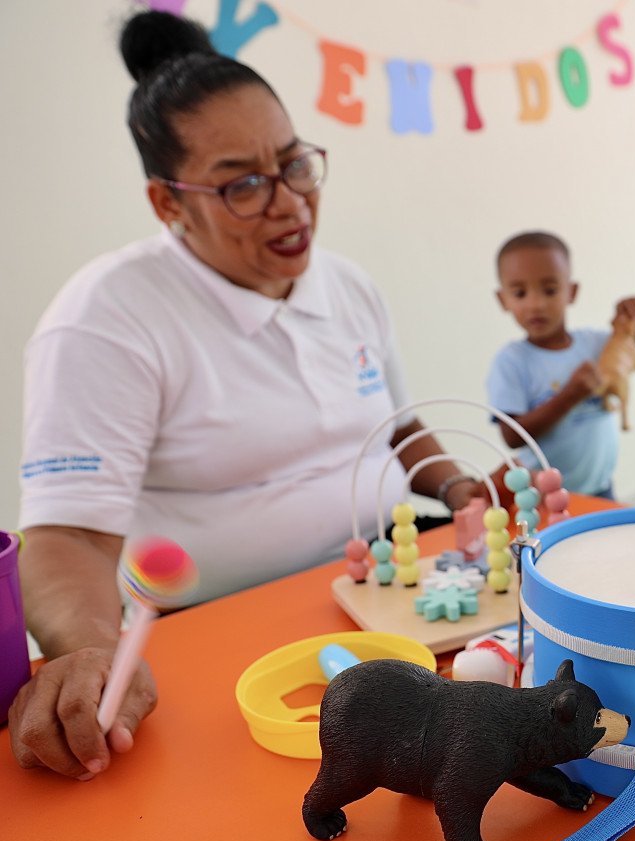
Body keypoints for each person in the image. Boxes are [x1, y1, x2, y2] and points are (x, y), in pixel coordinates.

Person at [10, 10, 482, 780]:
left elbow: (398, 427)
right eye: (244, 184)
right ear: (168, 203)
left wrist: (463, 487)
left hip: (396, 588)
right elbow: (67, 538)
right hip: (223, 626)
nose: (290, 203)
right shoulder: (107, 317)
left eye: (295, 164)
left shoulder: (348, 286)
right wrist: (91, 650)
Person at [486, 231, 635, 499]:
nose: (536, 304)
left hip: (601, 489)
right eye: (520, 293)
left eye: (550, 290)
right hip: (542, 496)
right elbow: (512, 436)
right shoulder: (511, 361)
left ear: (572, 292)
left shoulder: (595, 344)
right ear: (503, 300)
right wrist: (570, 395)